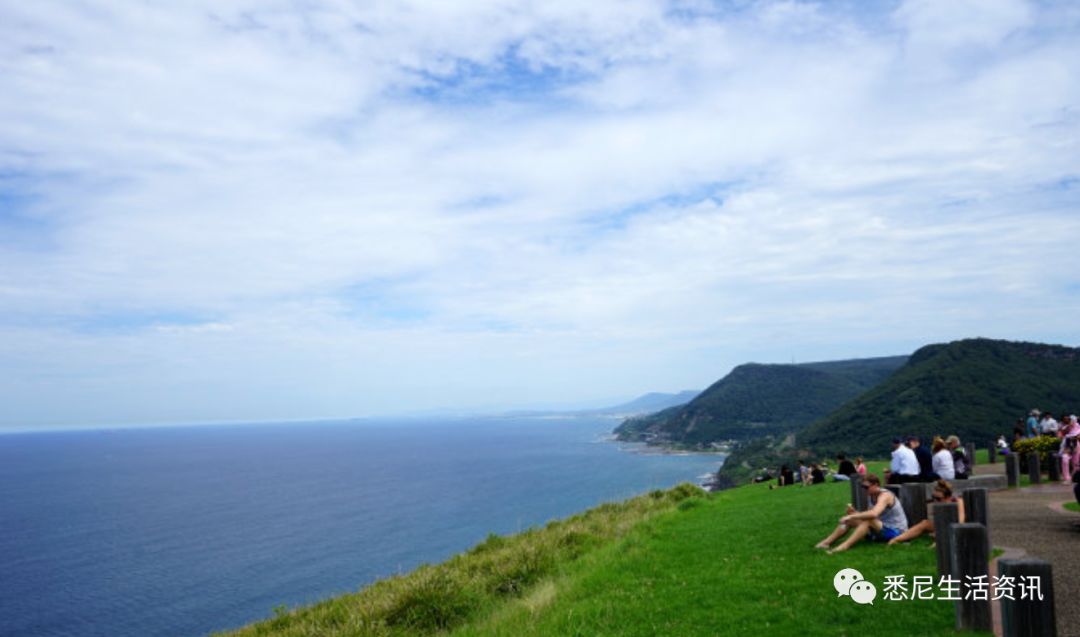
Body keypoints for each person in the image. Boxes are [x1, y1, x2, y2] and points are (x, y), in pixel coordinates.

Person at [814, 473, 908, 553]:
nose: (865, 489)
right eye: (863, 487)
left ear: (876, 485)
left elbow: (874, 514)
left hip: (897, 532)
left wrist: (853, 516)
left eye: (866, 487)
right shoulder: (871, 495)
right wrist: (853, 514)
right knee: (849, 520)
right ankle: (826, 543)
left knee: (866, 520)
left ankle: (844, 546)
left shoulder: (885, 496)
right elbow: (869, 514)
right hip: (881, 527)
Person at [887, 479, 965, 545]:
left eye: (938, 499)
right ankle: (896, 540)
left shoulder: (958, 502)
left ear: (948, 497)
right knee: (925, 523)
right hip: (944, 527)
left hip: (956, 528)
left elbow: (960, 523)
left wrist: (940, 533)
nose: (935, 501)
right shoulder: (940, 505)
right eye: (933, 497)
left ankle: (939, 544)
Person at [1060, 416, 1080, 482]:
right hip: (1066, 445)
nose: (1069, 421)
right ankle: (1067, 478)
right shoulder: (1065, 427)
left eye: (1069, 419)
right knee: (1065, 459)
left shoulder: (1077, 426)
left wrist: (1075, 437)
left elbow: (1078, 436)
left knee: (1076, 463)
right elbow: (1061, 434)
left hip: (1076, 446)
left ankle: (1075, 477)